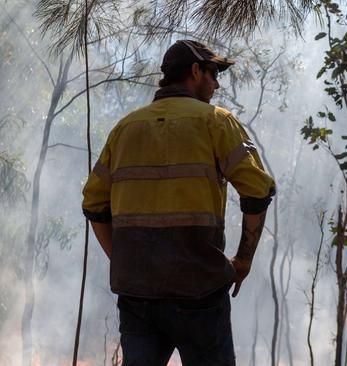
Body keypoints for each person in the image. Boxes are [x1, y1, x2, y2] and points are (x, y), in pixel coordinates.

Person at [81, 39, 275, 366]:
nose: (216, 83)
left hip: (137, 295)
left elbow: (93, 205)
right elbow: (257, 191)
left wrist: (124, 258)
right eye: (213, 73)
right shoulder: (216, 121)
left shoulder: (124, 129)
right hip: (198, 292)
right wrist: (243, 260)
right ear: (195, 71)